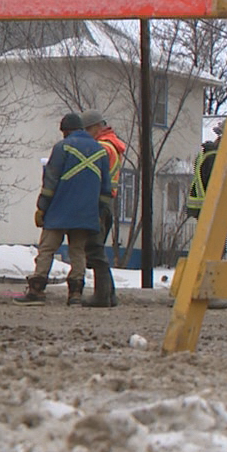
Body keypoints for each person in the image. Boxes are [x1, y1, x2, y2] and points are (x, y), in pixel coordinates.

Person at [14, 113, 113, 307]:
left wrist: (42, 207)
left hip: (59, 210)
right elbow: (105, 188)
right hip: (86, 213)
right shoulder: (100, 152)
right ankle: (75, 294)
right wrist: (99, 212)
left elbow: (50, 181)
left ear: (66, 131)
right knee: (78, 252)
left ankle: (37, 290)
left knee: (47, 249)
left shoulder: (62, 148)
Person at [82, 110, 128, 306]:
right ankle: (109, 295)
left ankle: (102, 296)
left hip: (98, 202)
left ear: (95, 127)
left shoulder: (102, 148)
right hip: (107, 202)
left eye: (86, 130)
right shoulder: (112, 146)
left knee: (94, 249)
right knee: (97, 248)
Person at [186, 139, 219, 216]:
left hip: (195, 202)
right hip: (204, 203)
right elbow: (210, 180)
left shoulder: (202, 156)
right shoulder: (212, 158)